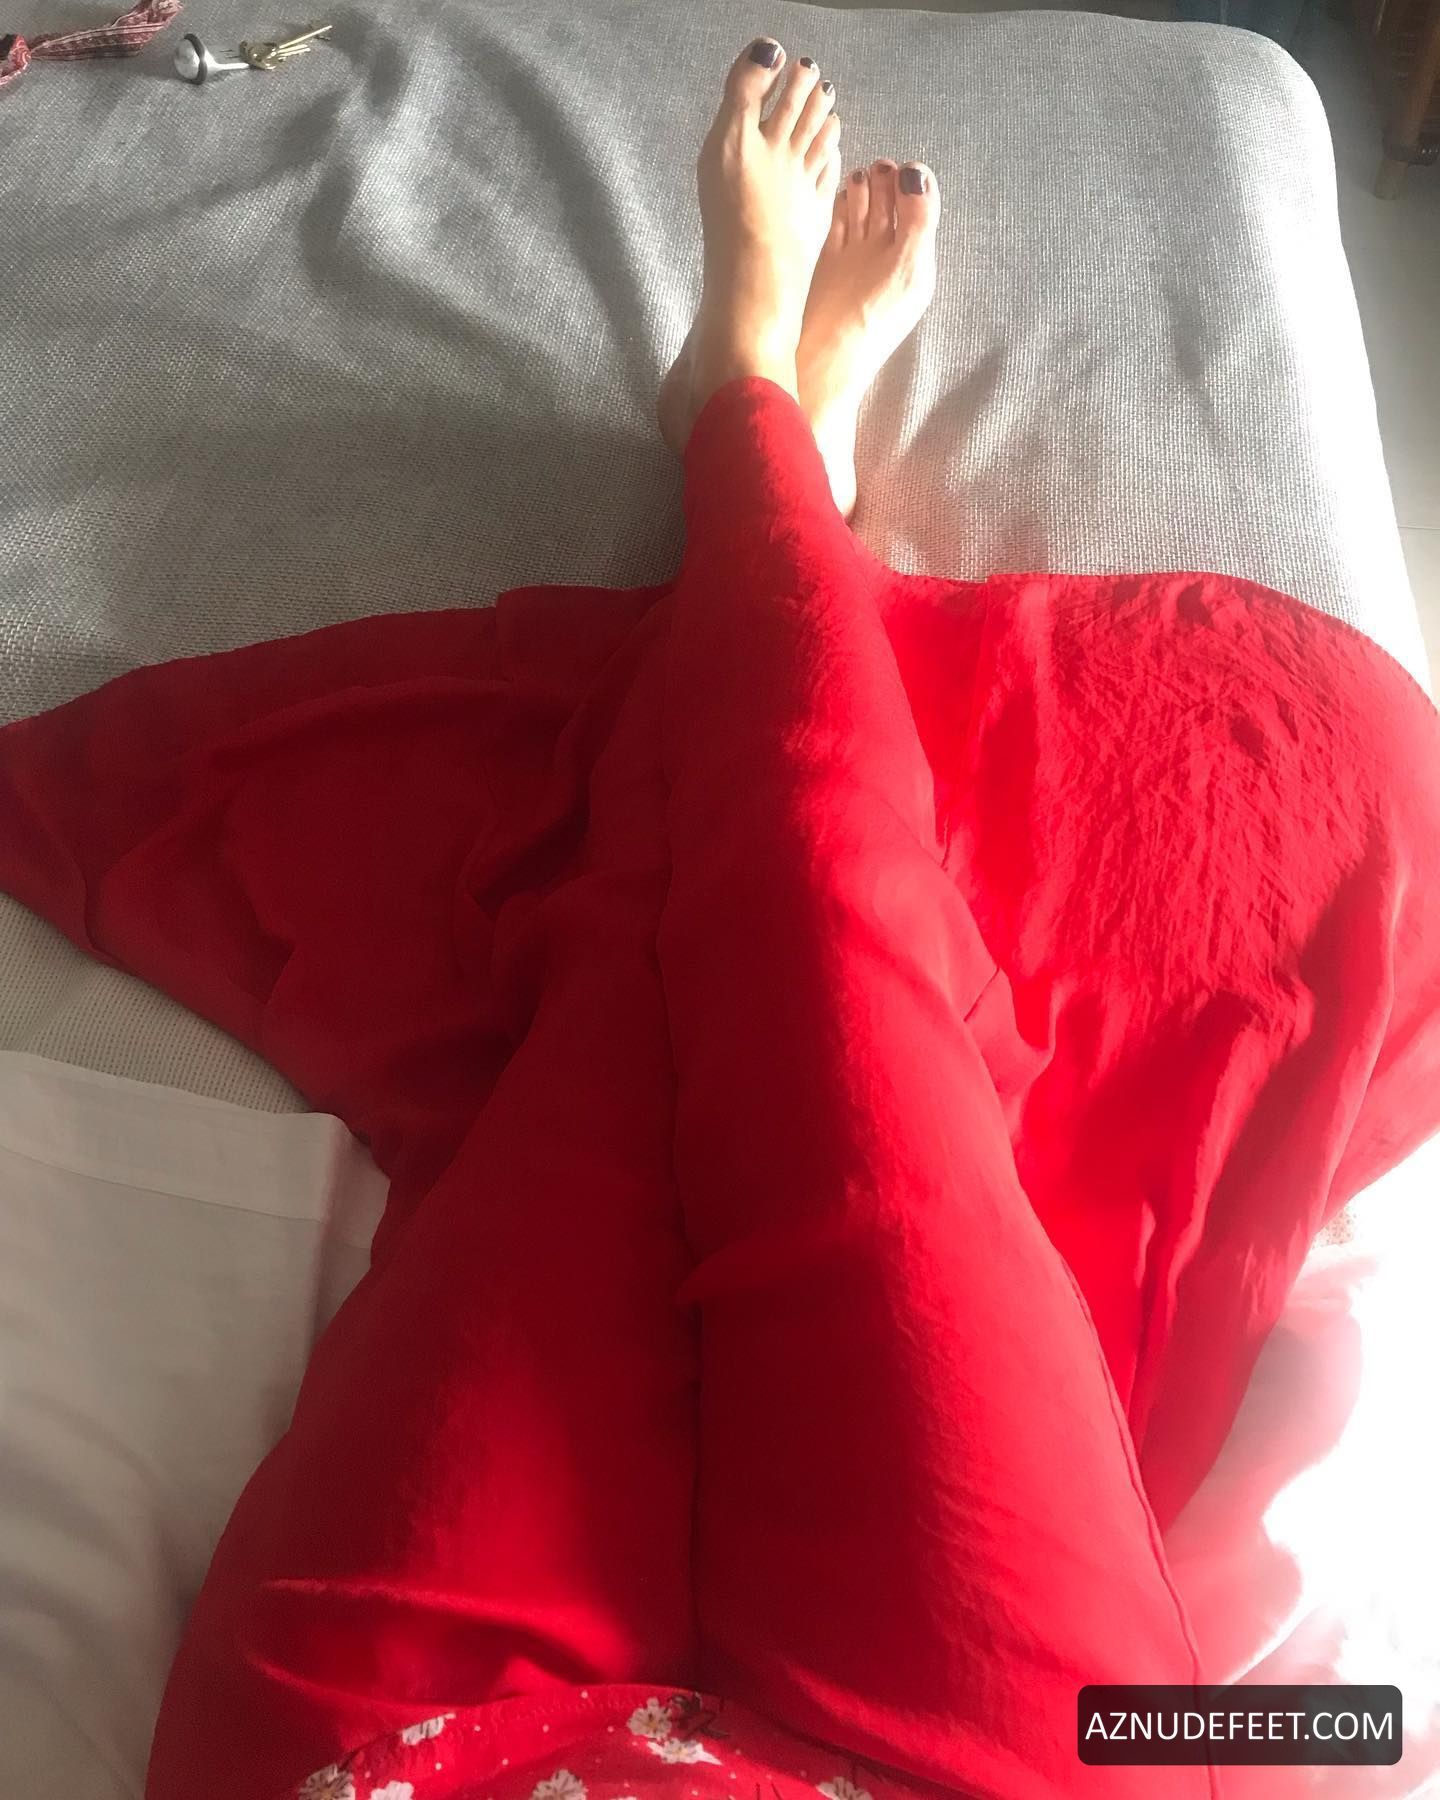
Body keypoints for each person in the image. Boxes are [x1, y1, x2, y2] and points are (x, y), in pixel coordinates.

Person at [0, 37, 1436, 1800]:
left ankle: (753, 433)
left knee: (649, 974)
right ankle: (760, 448)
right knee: (833, 929)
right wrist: (1331, 1731)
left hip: (392, 1763)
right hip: (1007, 1772)